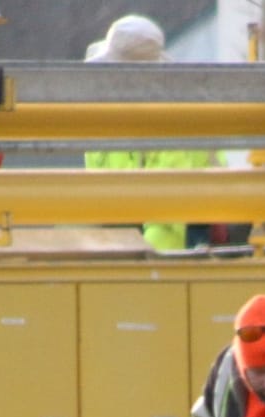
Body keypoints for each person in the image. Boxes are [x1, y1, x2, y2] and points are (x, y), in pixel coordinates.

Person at [82, 15, 214, 251]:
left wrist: (145, 263)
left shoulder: (171, 121)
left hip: (179, 229)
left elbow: (170, 218)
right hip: (132, 222)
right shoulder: (108, 115)